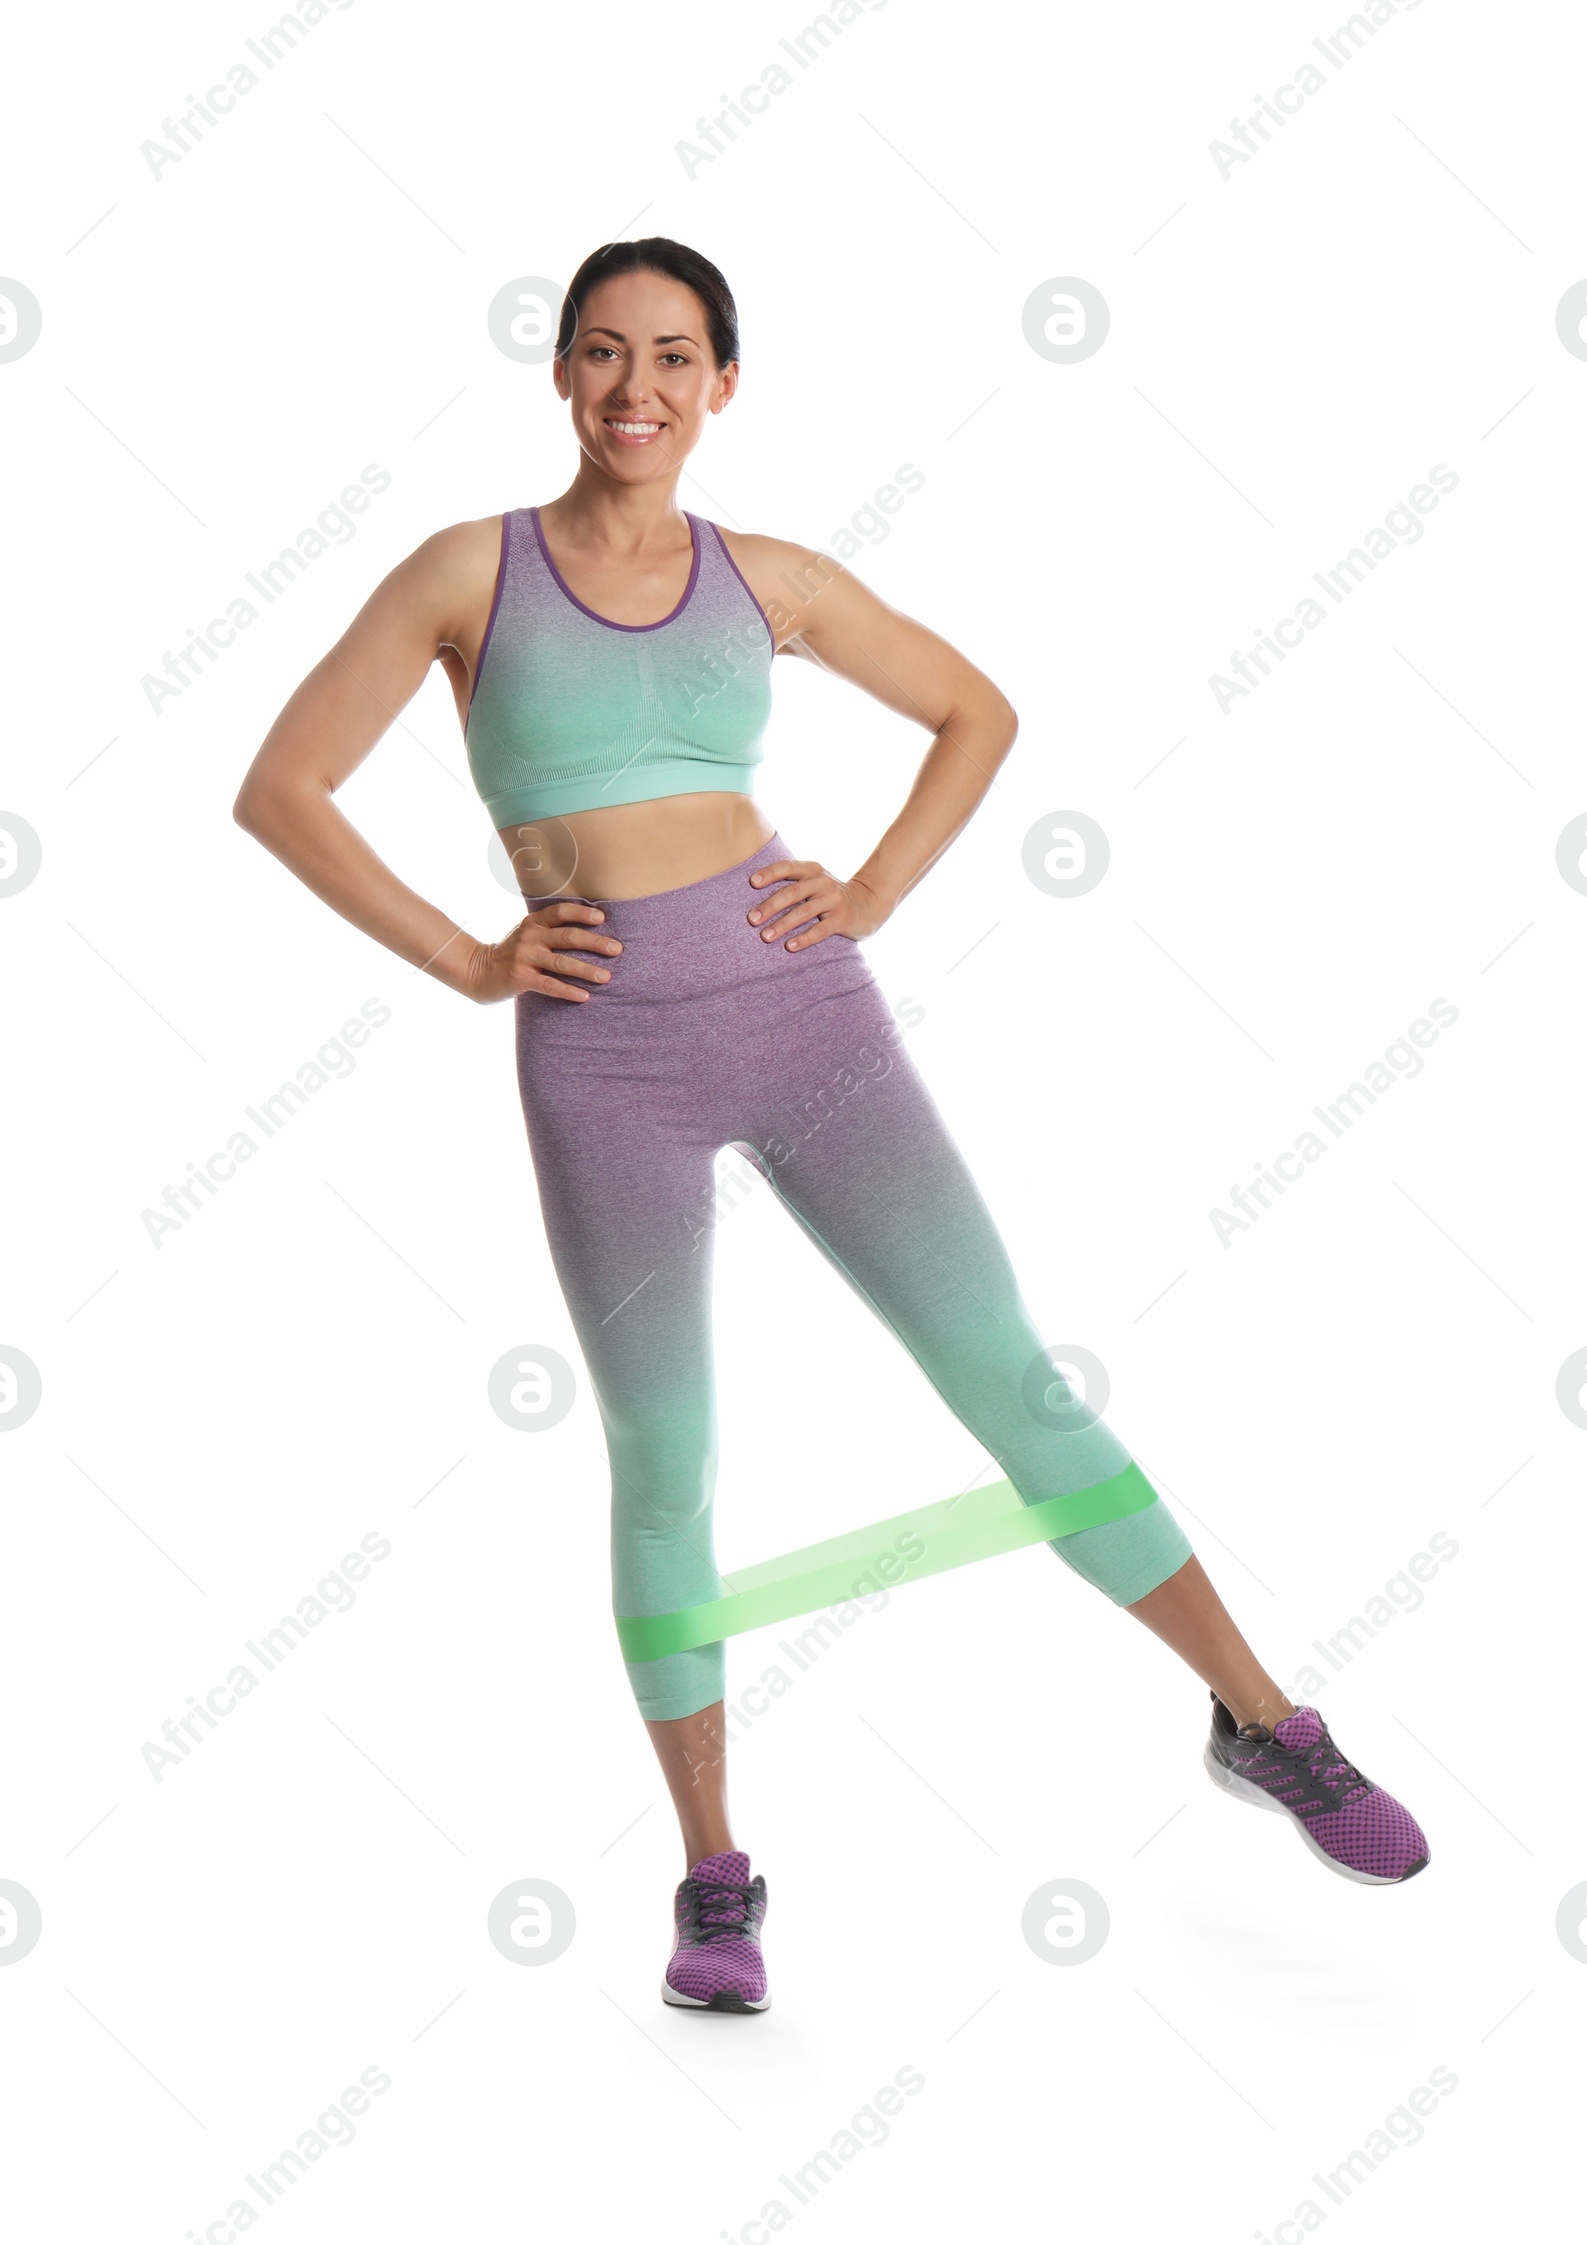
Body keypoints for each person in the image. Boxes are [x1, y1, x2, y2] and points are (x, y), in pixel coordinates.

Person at [234, 237, 1429, 2016]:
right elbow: (282, 789)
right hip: (603, 1054)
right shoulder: (461, 573)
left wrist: (868, 883)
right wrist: (477, 957)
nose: (638, 385)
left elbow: (976, 708)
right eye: (603, 351)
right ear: (560, 373)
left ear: (725, 383)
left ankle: (1265, 1722)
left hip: (810, 1020)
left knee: (1013, 1378)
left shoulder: (767, 575)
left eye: (676, 355)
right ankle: (715, 1881)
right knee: (669, 1457)